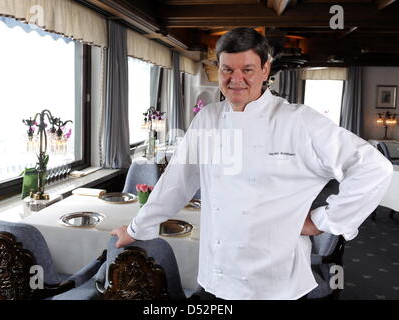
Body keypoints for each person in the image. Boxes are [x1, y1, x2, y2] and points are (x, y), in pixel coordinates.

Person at [111, 28, 393, 300]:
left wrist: (323, 221)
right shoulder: (207, 120)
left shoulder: (299, 122)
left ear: (265, 70)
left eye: (246, 69)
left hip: (274, 284)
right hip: (217, 275)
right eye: (227, 70)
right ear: (218, 70)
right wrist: (136, 229)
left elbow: (374, 168)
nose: (236, 79)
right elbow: (175, 185)